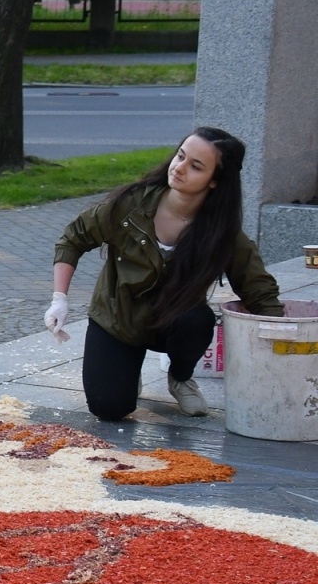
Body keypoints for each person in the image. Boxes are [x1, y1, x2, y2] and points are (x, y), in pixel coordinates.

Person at [45, 127, 283, 422]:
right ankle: (127, 373)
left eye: (196, 166)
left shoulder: (223, 233)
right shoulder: (130, 205)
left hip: (175, 322)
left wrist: (286, 352)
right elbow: (73, 238)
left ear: (215, 182)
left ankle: (180, 377)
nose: (180, 168)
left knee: (197, 321)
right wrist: (59, 299)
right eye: (181, 156)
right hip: (118, 320)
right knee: (109, 408)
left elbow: (259, 291)